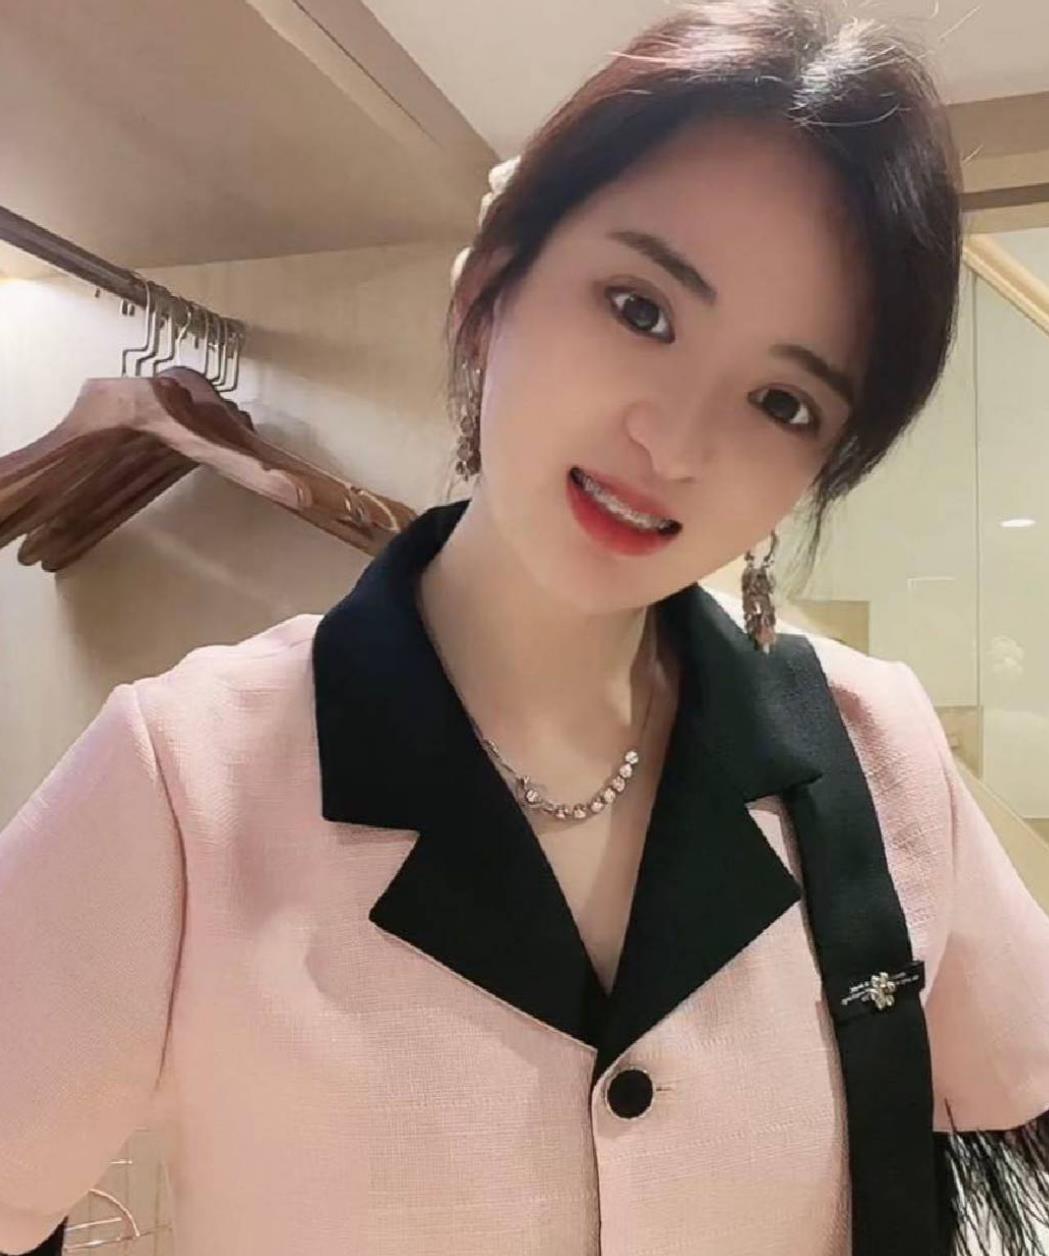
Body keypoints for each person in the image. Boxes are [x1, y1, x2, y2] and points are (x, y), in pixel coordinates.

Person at [2, 1, 1049, 1254]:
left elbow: (1009, 1091)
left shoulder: (878, 756)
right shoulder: (185, 780)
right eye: (640, 308)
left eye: (780, 400)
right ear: (489, 287)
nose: (673, 441)